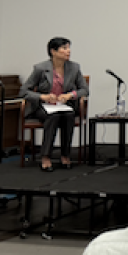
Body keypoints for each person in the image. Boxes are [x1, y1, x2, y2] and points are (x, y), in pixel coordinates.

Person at [20, 37, 89, 171]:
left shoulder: (74, 67)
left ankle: (65, 155)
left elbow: (85, 90)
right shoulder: (40, 68)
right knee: (53, 116)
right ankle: (46, 156)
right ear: (53, 51)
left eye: (68, 48)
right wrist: (43, 97)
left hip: (64, 106)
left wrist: (70, 95)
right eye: (64, 48)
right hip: (43, 107)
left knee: (69, 115)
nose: (68, 51)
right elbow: (24, 91)